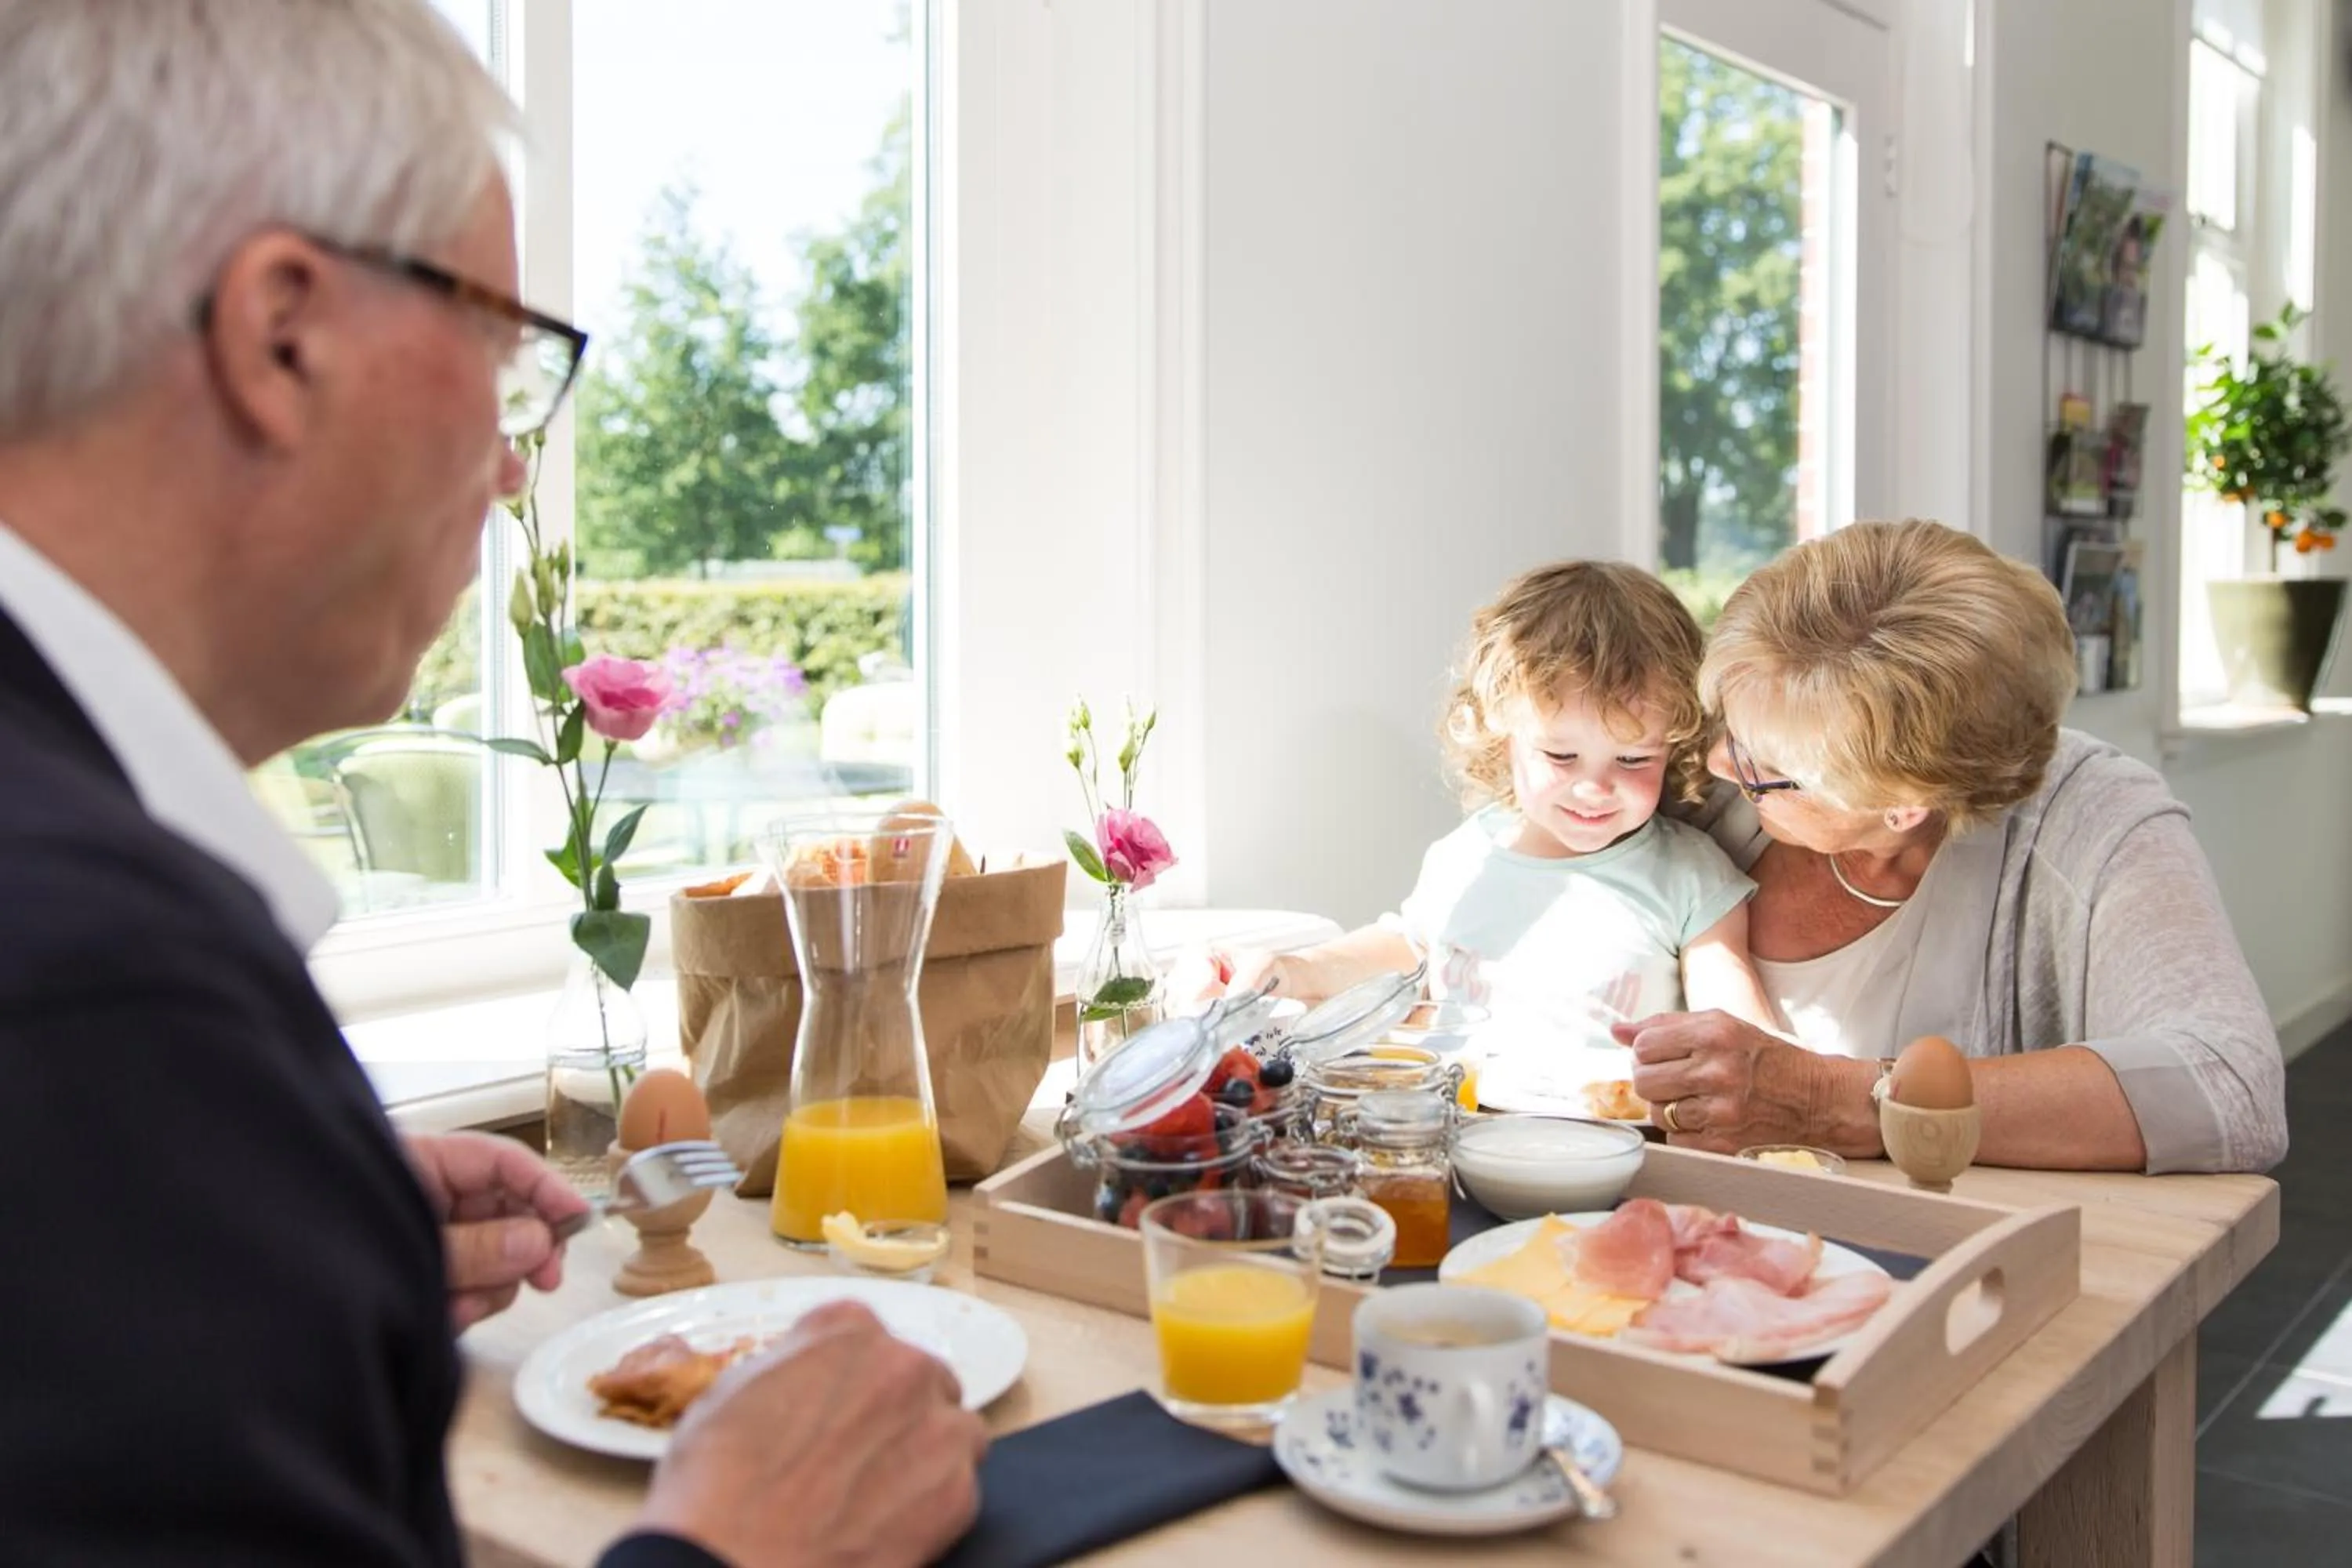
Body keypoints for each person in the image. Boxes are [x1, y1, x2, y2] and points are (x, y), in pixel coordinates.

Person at [0, 4, 982, 1565]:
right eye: (501, 348)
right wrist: (736, 1547)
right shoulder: (101, 1000)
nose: (518, 464)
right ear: (283, 336)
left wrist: (256, 1206)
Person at [1620, 520, 2288, 1174]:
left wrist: (1838, 1101)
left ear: (1904, 805)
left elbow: (2231, 1086)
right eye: (1730, 728)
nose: (1714, 764)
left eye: (1763, 766)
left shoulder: (2090, 816)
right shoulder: (1686, 777)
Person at [1203, 561, 1777, 1051]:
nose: (1595, 787)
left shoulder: (1690, 878)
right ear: (1501, 734)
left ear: (1673, 747)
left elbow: (1744, 1042)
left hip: (1608, 1151)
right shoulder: (1465, 857)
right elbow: (1411, 948)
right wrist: (1297, 970)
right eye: (1561, 755)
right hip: (1457, 1137)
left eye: (1633, 761)